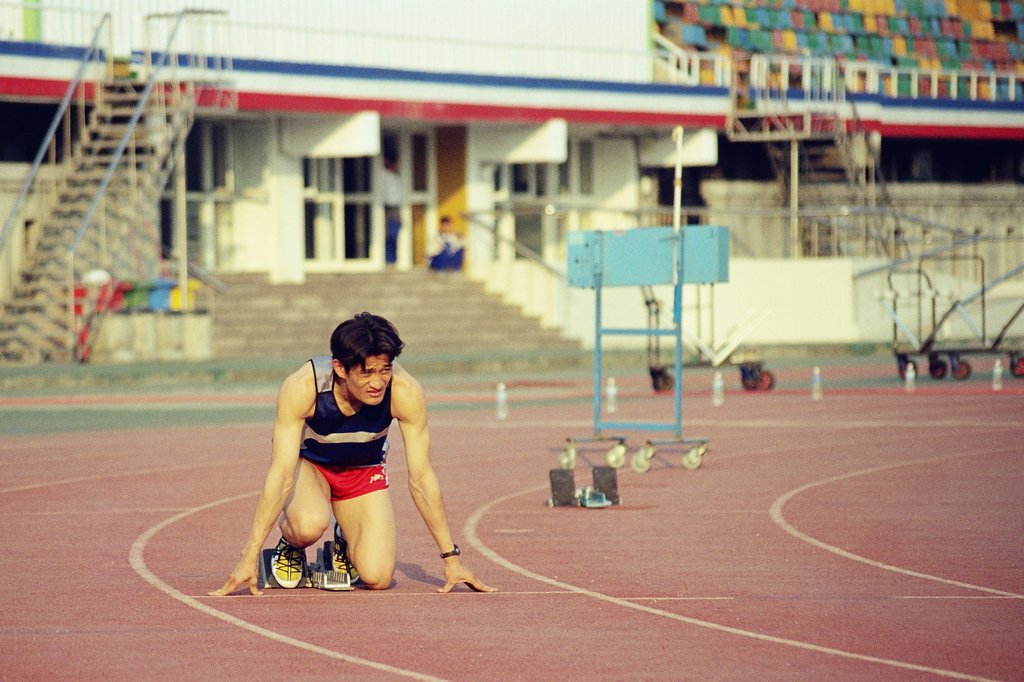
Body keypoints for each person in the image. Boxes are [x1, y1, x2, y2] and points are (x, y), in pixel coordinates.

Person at [210, 312, 495, 596]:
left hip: (362, 471)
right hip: (312, 468)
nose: (378, 382)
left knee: (378, 577)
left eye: (385, 369)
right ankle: (291, 545)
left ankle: (344, 538)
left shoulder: (405, 391)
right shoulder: (303, 387)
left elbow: (421, 477)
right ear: (340, 368)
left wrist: (451, 557)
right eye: (367, 372)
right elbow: (282, 474)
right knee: (309, 525)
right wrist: (249, 555)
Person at [381, 156, 403, 265]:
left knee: (395, 235)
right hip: (386, 208)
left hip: (396, 208)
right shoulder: (383, 175)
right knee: (388, 235)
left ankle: (393, 259)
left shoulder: (398, 176)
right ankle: (388, 259)